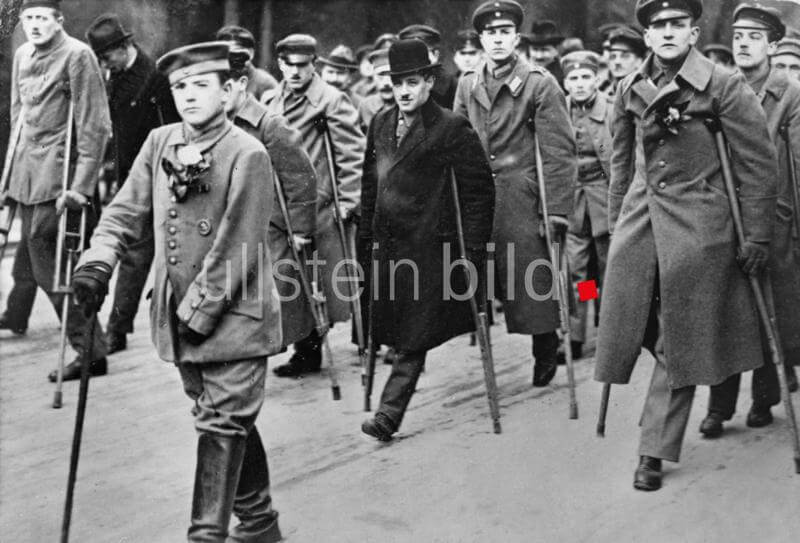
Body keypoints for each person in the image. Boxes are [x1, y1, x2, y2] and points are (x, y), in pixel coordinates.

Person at [71, 41, 284, 542]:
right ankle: (259, 524)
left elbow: (239, 243)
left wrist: (199, 310)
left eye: (200, 85)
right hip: (179, 317)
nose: (188, 96)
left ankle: (204, 535)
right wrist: (98, 261)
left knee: (222, 424)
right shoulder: (160, 142)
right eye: (180, 87)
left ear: (230, 91)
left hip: (234, 316)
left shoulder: (247, 152)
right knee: (224, 420)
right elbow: (124, 211)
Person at [594, 0, 779, 491]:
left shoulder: (722, 84)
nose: (668, 32)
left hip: (699, 232)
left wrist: (757, 234)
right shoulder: (630, 87)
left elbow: (758, 165)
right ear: (648, 37)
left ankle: (652, 449)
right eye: (659, 26)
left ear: (694, 32)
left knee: (677, 333)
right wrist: (617, 229)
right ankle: (684, 392)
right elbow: (621, 165)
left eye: (678, 24)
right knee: (645, 327)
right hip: (640, 228)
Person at [359, 38, 495, 441]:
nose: (404, 90)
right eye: (398, 81)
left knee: (415, 332)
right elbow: (371, 186)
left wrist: (471, 252)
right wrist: (365, 237)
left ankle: (389, 412)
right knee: (394, 325)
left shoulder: (451, 127)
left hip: (432, 247)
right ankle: (389, 402)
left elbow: (478, 193)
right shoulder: (381, 123)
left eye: (413, 81)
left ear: (429, 82)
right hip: (389, 245)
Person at [455, 0, 577, 387]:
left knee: (531, 276)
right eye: (490, 34)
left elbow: (559, 152)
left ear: (516, 37)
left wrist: (556, 209)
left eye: (504, 33)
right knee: (478, 275)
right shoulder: (468, 82)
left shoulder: (539, 83)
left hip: (522, 194)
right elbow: (456, 139)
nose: (497, 40)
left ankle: (545, 344)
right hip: (478, 195)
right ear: (481, 39)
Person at [699, 3, 800, 438]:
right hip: (725, 215)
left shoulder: (789, 92)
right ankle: (719, 406)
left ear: (772, 45)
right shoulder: (719, 87)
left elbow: (797, 159)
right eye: (738, 35)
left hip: (774, 217)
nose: (742, 43)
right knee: (726, 311)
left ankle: (765, 397)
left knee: (769, 310)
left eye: (753, 36)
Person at [0, 0, 110, 380]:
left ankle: (91, 349)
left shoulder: (78, 56)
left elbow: (95, 126)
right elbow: (19, 120)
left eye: (41, 18)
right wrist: (9, 180)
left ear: (58, 20)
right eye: (28, 18)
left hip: (61, 179)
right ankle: (92, 345)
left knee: (51, 267)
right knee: (37, 261)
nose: (33, 25)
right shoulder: (22, 55)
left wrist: (81, 186)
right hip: (29, 176)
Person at [262, 34, 365, 377]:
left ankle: (316, 347)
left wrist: (349, 200)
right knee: (289, 280)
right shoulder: (269, 100)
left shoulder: (331, 101)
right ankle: (303, 347)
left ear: (313, 65)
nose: (295, 72)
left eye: (302, 65)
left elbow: (352, 155)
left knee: (321, 281)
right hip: (281, 209)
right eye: (288, 65)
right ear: (279, 64)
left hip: (320, 206)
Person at [85, 13, 179, 355]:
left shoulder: (154, 78)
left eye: (107, 55)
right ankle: (116, 327)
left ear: (125, 47)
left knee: (137, 255)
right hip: (128, 177)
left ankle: (117, 330)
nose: (104, 63)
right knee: (128, 250)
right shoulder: (116, 74)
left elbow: (171, 129)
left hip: (157, 177)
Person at [225, 50, 319, 370]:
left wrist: (302, 228)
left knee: (285, 292)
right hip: (237, 222)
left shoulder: (269, 124)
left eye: (226, 87)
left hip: (274, 225)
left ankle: (307, 347)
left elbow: (301, 178)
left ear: (242, 84)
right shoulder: (217, 126)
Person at [561, 51, 612, 361]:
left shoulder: (612, 111)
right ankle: (577, 335)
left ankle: (608, 331)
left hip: (604, 198)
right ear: (565, 82)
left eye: (585, 77)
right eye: (573, 79)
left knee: (607, 268)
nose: (579, 84)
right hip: (574, 200)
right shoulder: (559, 111)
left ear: (597, 79)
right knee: (579, 272)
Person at [398, 24, 458, 108]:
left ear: (435, 55)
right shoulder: (396, 83)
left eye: (421, 53)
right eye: (409, 53)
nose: (415, 59)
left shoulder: (451, 85)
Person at [215, 25, 277, 100]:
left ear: (251, 53)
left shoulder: (265, 83)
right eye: (225, 53)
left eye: (236, 52)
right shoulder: (217, 79)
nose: (230, 58)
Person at [357, 48, 395, 132]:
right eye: (380, 76)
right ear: (373, 78)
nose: (386, 83)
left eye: (391, 76)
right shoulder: (366, 106)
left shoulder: (408, 103)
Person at [605, 26, 647, 95]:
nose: (617, 62)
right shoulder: (602, 93)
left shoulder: (647, 94)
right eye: (613, 56)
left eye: (624, 56)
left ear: (639, 61)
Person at [527, 20, 565, 85]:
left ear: (556, 51)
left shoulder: (563, 78)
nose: (539, 56)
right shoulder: (522, 72)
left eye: (544, 50)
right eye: (535, 49)